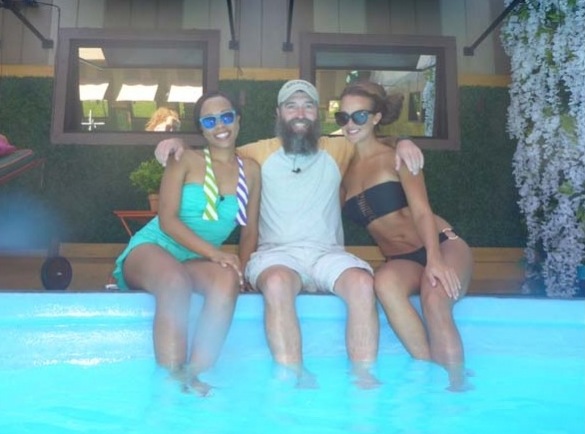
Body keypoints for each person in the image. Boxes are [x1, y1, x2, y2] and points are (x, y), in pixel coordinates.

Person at [155, 79, 424, 389]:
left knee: (363, 284)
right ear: (279, 113)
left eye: (308, 106)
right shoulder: (257, 152)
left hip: (327, 254)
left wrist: (403, 141)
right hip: (276, 254)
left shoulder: (339, 148)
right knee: (278, 283)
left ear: (317, 113)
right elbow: (217, 145)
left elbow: (371, 138)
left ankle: (363, 376)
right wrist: (176, 142)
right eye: (291, 106)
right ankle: (293, 373)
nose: (300, 113)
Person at [113, 91, 261, 395]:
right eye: (209, 120)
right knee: (175, 281)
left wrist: (243, 272)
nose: (220, 125)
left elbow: (250, 231)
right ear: (202, 130)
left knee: (227, 279)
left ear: (238, 121)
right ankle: (171, 381)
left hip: (194, 259)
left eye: (226, 116)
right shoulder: (185, 159)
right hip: (153, 247)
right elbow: (167, 220)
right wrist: (214, 253)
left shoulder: (251, 171)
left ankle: (195, 373)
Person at [336, 80, 473, 391]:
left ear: (376, 118)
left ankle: (457, 388)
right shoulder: (344, 169)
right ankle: (431, 373)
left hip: (440, 243)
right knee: (383, 283)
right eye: (343, 117)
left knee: (434, 299)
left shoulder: (396, 157)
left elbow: (422, 212)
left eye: (359, 116)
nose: (350, 124)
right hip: (400, 259)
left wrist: (435, 261)